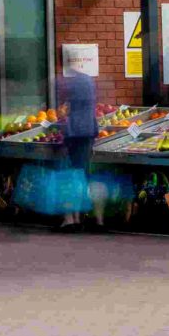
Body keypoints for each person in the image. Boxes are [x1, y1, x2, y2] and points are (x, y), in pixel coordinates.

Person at [53, 51, 98, 230]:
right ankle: (78, 217)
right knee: (81, 175)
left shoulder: (72, 83)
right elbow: (90, 111)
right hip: (88, 133)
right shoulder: (88, 81)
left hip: (76, 135)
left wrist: (65, 140)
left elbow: (71, 115)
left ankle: (69, 219)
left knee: (70, 176)